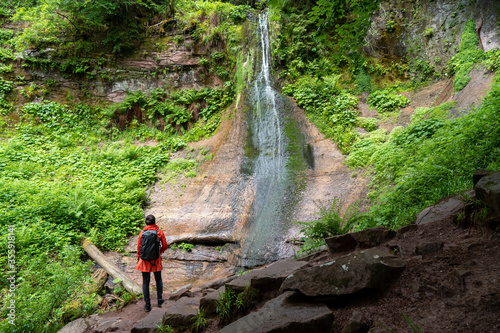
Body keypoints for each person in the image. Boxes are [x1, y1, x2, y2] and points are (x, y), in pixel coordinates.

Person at [136, 214, 167, 312]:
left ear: (146, 222)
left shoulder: (142, 233)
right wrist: (159, 252)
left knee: (146, 281)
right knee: (158, 279)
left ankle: (147, 305)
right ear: (155, 222)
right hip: (156, 260)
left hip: (144, 260)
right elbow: (165, 245)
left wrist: (138, 259)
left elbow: (139, 248)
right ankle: (160, 300)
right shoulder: (159, 232)